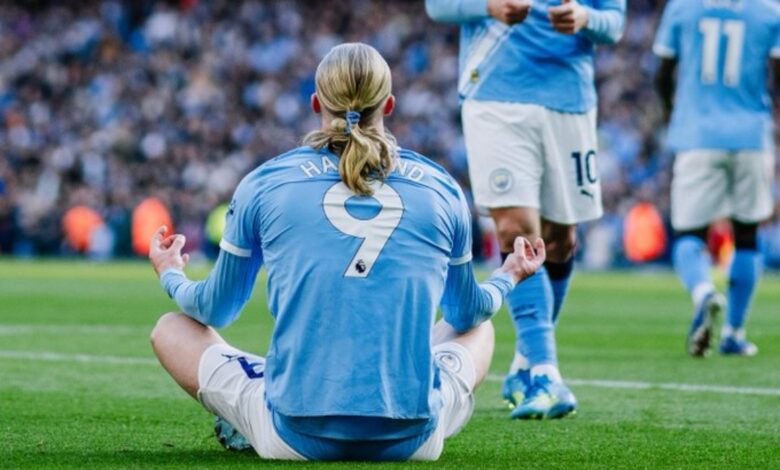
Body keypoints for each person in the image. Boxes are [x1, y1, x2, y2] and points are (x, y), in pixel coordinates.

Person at [148, 43, 547, 461]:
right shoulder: (441, 187)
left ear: (315, 103)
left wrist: (171, 273)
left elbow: (214, 309)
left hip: (293, 435)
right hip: (413, 441)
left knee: (171, 328)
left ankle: (256, 408)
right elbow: (467, 314)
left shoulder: (264, 183)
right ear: (388, 104)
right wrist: (508, 276)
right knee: (479, 329)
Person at [425, 0, 625, 419]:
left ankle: (523, 365)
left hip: (570, 100)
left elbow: (615, 22)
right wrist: (488, 7)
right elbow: (437, 5)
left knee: (560, 240)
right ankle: (546, 374)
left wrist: (586, 18)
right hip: (495, 92)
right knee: (516, 227)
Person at [654, 0, 780, 357]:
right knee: (747, 233)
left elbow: (662, 75)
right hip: (751, 135)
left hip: (696, 133)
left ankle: (703, 291)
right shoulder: (769, 10)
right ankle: (734, 332)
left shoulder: (683, 6)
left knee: (689, 232)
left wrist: (672, 115)